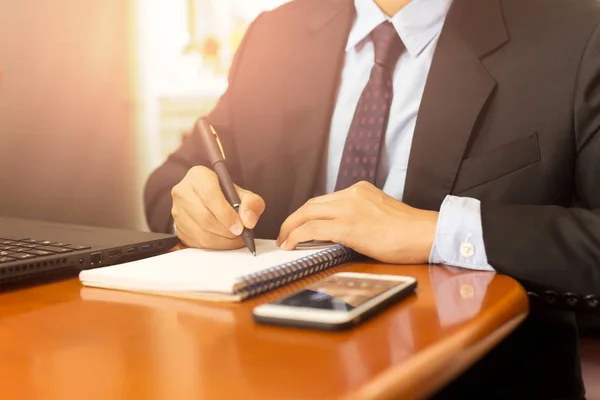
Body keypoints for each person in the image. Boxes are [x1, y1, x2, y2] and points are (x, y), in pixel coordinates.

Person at [144, 0, 600, 398]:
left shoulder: (577, 35)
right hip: (274, 376)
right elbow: (172, 180)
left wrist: (439, 231)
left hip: (481, 382)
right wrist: (192, 205)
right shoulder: (274, 34)